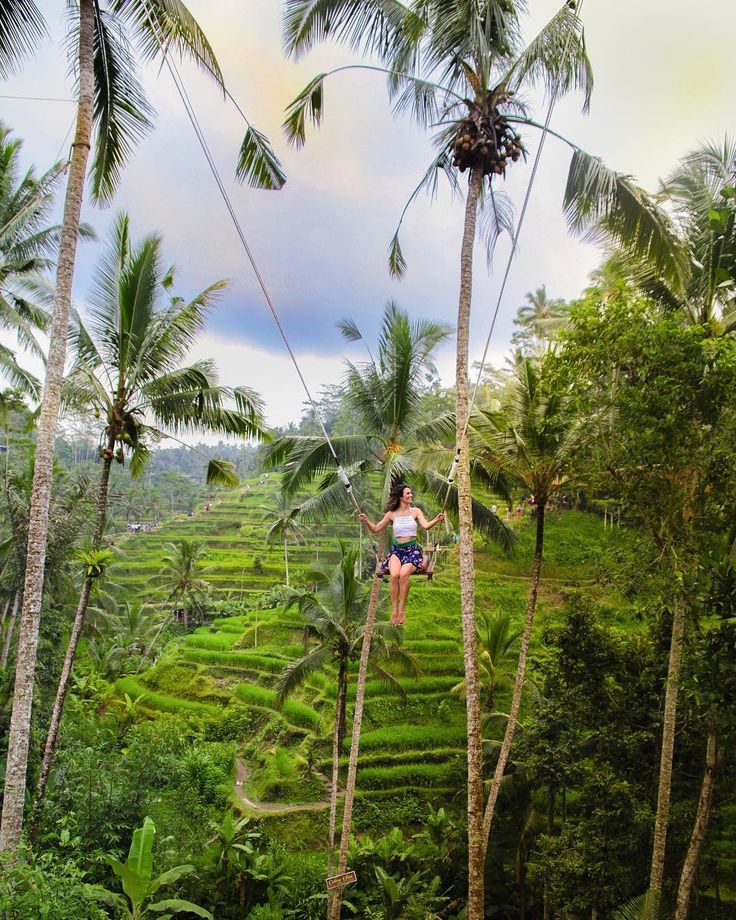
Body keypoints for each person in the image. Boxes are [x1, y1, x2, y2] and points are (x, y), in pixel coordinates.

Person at [358, 482, 444, 626]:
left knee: (403, 575)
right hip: (397, 551)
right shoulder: (391, 514)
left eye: (410, 493)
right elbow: (375, 528)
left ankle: (402, 610)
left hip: (412, 551)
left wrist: (437, 519)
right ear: (401, 497)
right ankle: (394, 610)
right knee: (394, 575)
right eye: (408, 493)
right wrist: (366, 521)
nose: (411, 495)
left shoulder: (416, 511)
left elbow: (426, 526)